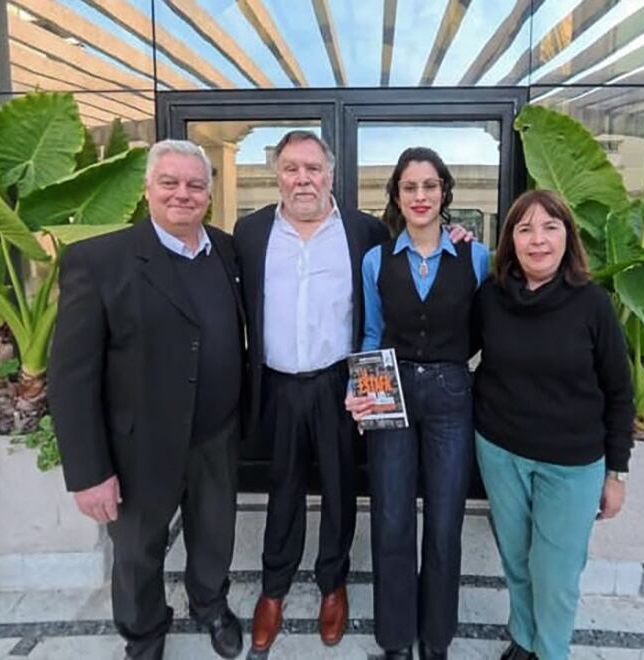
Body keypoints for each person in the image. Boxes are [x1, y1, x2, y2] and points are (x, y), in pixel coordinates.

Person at [48, 140, 246, 660]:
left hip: (214, 435)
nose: (183, 194)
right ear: (149, 188)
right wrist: (89, 471)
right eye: (170, 182)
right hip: (138, 445)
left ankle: (210, 605)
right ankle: (144, 633)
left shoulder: (226, 251)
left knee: (214, 537)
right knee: (137, 553)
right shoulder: (99, 261)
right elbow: (71, 377)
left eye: (195, 184)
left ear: (209, 192)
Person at [232, 130, 389, 652]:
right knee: (283, 488)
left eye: (313, 169)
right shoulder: (250, 232)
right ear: (277, 174)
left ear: (331, 174)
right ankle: (273, 589)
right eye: (292, 168)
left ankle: (332, 583)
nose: (303, 179)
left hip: (338, 383)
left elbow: (394, 291)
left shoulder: (365, 233)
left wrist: (457, 237)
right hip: (276, 384)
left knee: (342, 489)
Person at [471, 190, 634, 660]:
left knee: (557, 573)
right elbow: (455, 348)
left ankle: (551, 651)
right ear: (510, 241)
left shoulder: (592, 305)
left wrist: (617, 473)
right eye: (525, 229)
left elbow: (620, 393)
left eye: (549, 227)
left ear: (567, 237)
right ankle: (523, 639)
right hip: (500, 450)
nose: (537, 240)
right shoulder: (491, 297)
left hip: (571, 463)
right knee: (517, 562)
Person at [346, 147, 490, 660]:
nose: (421, 196)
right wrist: (361, 394)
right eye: (410, 187)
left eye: (430, 186)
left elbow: (487, 328)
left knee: (446, 520)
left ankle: (436, 639)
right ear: (397, 196)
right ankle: (394, 640)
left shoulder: (475, 255)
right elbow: (369, 332)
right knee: (390, 517)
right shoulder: (375, 260)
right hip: (391, 387)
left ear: (444, 192)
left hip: (452, 391)